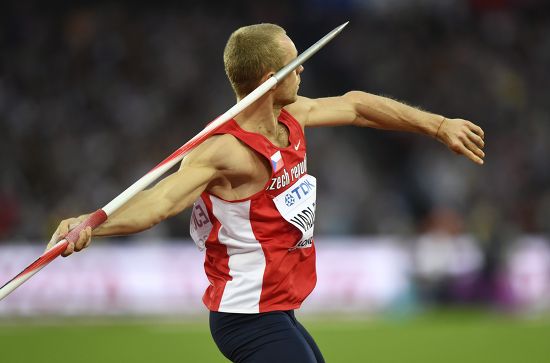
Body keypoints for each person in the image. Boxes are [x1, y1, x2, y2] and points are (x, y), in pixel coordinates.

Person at [47, 23, 485, 363]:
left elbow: (355, 105)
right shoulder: (224, 151)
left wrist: (438, 125)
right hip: (246, 316)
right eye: (296, 63)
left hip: (276, 309)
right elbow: (160, 203)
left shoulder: (291, 114)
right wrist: (91, 225)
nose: (303, 70)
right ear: (270, 78)